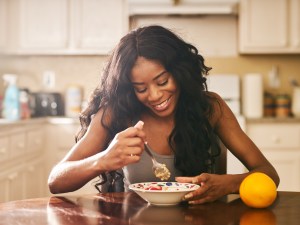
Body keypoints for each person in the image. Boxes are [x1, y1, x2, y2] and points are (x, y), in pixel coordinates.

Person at [48, 25, 279, 204]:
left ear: (180, 72)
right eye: (141, 88)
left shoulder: (211, 108)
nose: (155, 95)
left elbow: (269, 174)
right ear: (130, 88)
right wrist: (103, 159)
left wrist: (228, 184)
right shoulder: (116, 114)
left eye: (162, 81)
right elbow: (55, 180)